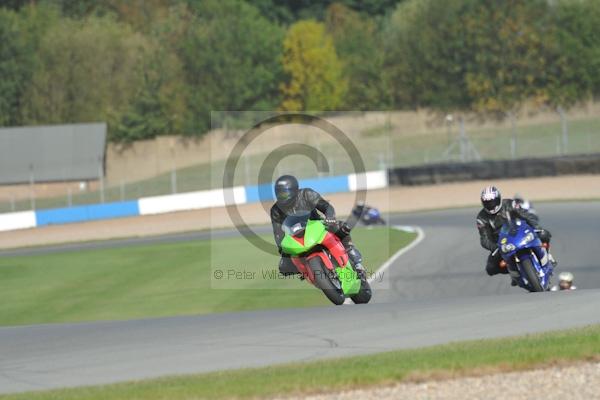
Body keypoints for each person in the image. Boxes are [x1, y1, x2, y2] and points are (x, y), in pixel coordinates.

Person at [270, 175, 367, 280]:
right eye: (279, 194)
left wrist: (330, 217)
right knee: (284, 267)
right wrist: (282, 248)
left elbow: (326, 206)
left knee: (340, 227)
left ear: (294, 190)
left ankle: (354, 258)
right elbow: (278, 233)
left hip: (317, 225)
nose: (281, 197)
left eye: (284, 193)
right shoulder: (276, 210)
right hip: (295, 236)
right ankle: (305, 270)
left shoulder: (306, 194)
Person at [476, 186, 555, 283]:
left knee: (544, 235)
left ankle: (549, 256)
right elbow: (484, 238)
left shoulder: (510, 204)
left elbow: (525, 215)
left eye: (492, 202)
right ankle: (516, 273)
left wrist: (536, 227)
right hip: (502, 244)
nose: (491, 205)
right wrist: (495, 247)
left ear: (498, 199)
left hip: (520, 233)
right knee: (491, 268)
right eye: (487, 203)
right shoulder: (481, 218)